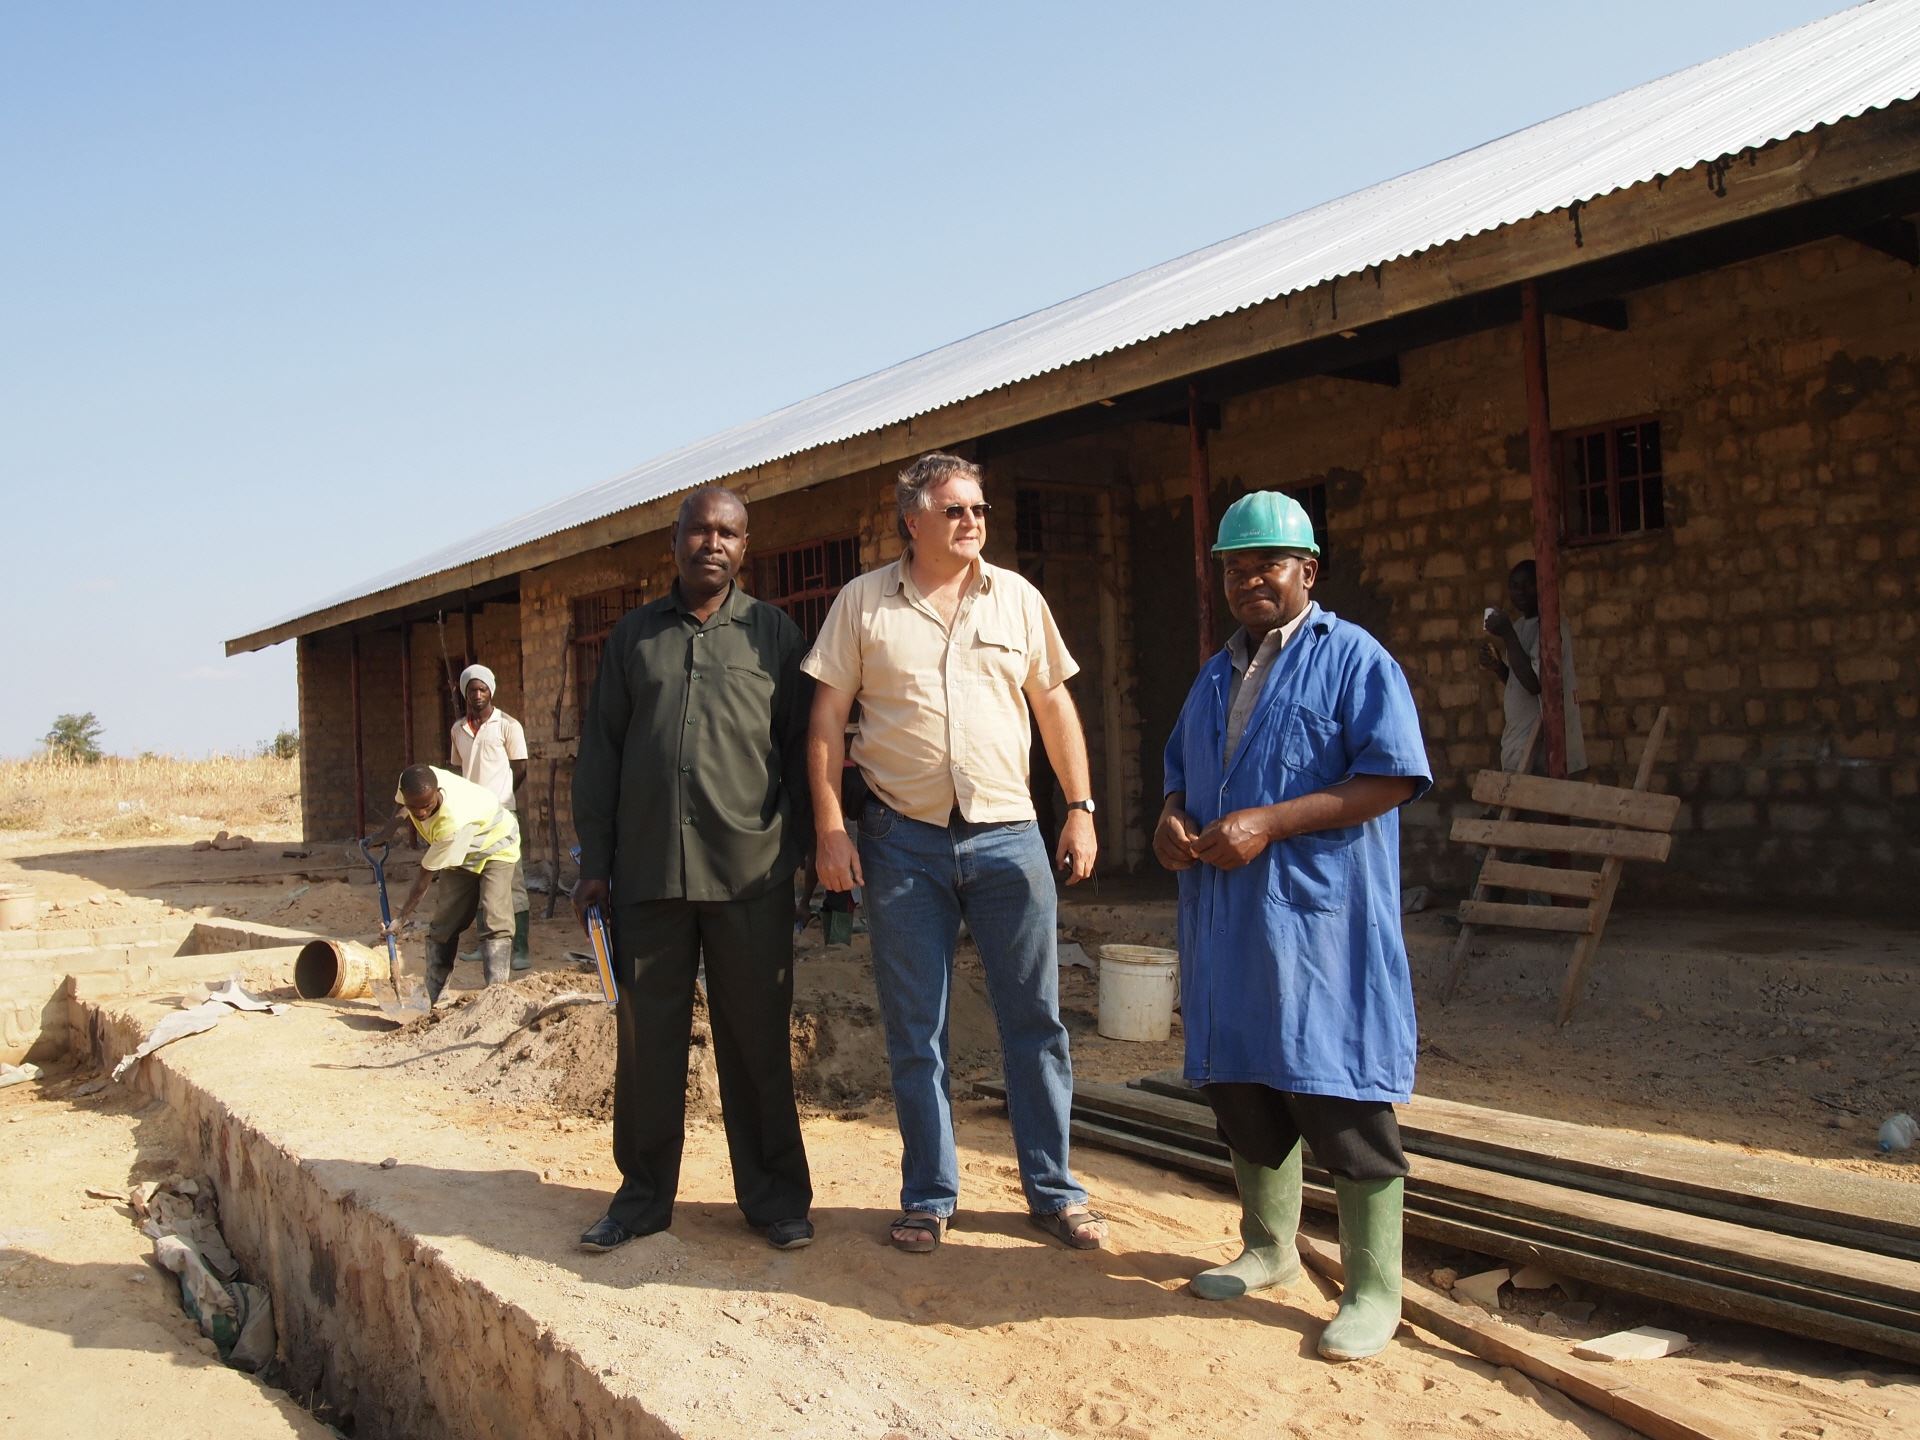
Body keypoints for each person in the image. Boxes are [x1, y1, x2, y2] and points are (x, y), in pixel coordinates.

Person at [803, 451, 1105, 1254]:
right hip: (901, 842)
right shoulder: (863, 603)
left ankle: (1054, 1191)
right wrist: (831, 826)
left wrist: (1080, 809)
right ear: (914, 522)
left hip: (1009, 836)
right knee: (917, 1030)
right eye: (955, 510)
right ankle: (930, 1196)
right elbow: (827, 719)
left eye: (979, 509)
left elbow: (1054, 705)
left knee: (1036, 1022)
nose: (972, 522)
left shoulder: (1018, 599)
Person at [1154, 490, 1431, 1361]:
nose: (1250, 580)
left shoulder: (1354, 660)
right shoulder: (1214, 674)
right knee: (1244, 1088)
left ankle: (1373, 1289)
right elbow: (1179, 771)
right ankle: (1269, 1248)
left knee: (1337, 1094)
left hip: (1320, 924)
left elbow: (1391, 778)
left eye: (1267, 564)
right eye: (1235, 568)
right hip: (1227, 922)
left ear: (1307, 571)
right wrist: (1170, 819)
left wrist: (1269, 823)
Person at [571, 486, 814, 1254]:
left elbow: (803, 750)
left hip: (750, 874)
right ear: (673, 542)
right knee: (647, 1044)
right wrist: (595, 861)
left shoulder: (774, 636)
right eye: (700, 530)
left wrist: (808, 851)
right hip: (649, 873)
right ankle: (642, 1199)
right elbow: (601, 752)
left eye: (728, 533)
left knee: (757, 1040)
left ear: (745, 547)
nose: (713, 543)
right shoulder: (634, 637)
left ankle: (775, 1199)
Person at [367, 763, 523, 1004]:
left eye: (427, 806)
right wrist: (386, 833)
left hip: (496, 843)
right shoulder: (413, 780)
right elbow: (402, 807)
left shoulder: (450, 823)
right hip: (462, 849)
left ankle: (495, 997)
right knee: (444, 923)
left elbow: (424, 878)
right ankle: (435, 996)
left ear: (437, 792)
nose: (420, 813)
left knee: (494, 916)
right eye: (414, 807)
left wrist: (401, 919)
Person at [449, 663, 532, 968]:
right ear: (465, 694)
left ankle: (520, 949)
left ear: (491, 691)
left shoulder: (508, 725)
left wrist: (501, 797)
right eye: (472, 690)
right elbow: (459, 769)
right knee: (477, 878)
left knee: (512, 880)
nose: (478, 695)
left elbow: (520, 767)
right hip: (472, 817)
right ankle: (485, 946)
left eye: (483, 689)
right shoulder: (458, 729)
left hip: (502, 814)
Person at [1479, 559, 1585, 775]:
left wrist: (1507, 633)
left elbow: (1535, 684)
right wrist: (1498, 667)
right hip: (1518, 744)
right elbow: (1519, 681)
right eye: (1514, 586)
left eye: (1528, 584)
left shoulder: (1552, 627)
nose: (1520, 591)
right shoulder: (1520, 626)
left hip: (1541, 750)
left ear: (1541, 585)